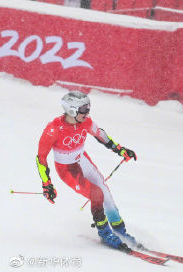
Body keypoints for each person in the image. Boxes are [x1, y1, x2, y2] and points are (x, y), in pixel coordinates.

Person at [36, 90, 140, 252]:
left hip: (82, 160)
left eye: (88, 107)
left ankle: (120, 230)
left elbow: (101, 135)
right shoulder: (53, 129)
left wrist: (120, 150)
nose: (87, 112)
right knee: (96, 193)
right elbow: (41, 158)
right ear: (71, 109)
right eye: (84, 109)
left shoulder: (85, 122)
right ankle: (105, 233)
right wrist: (46, 184)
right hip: (67, 168)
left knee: (104, 191)